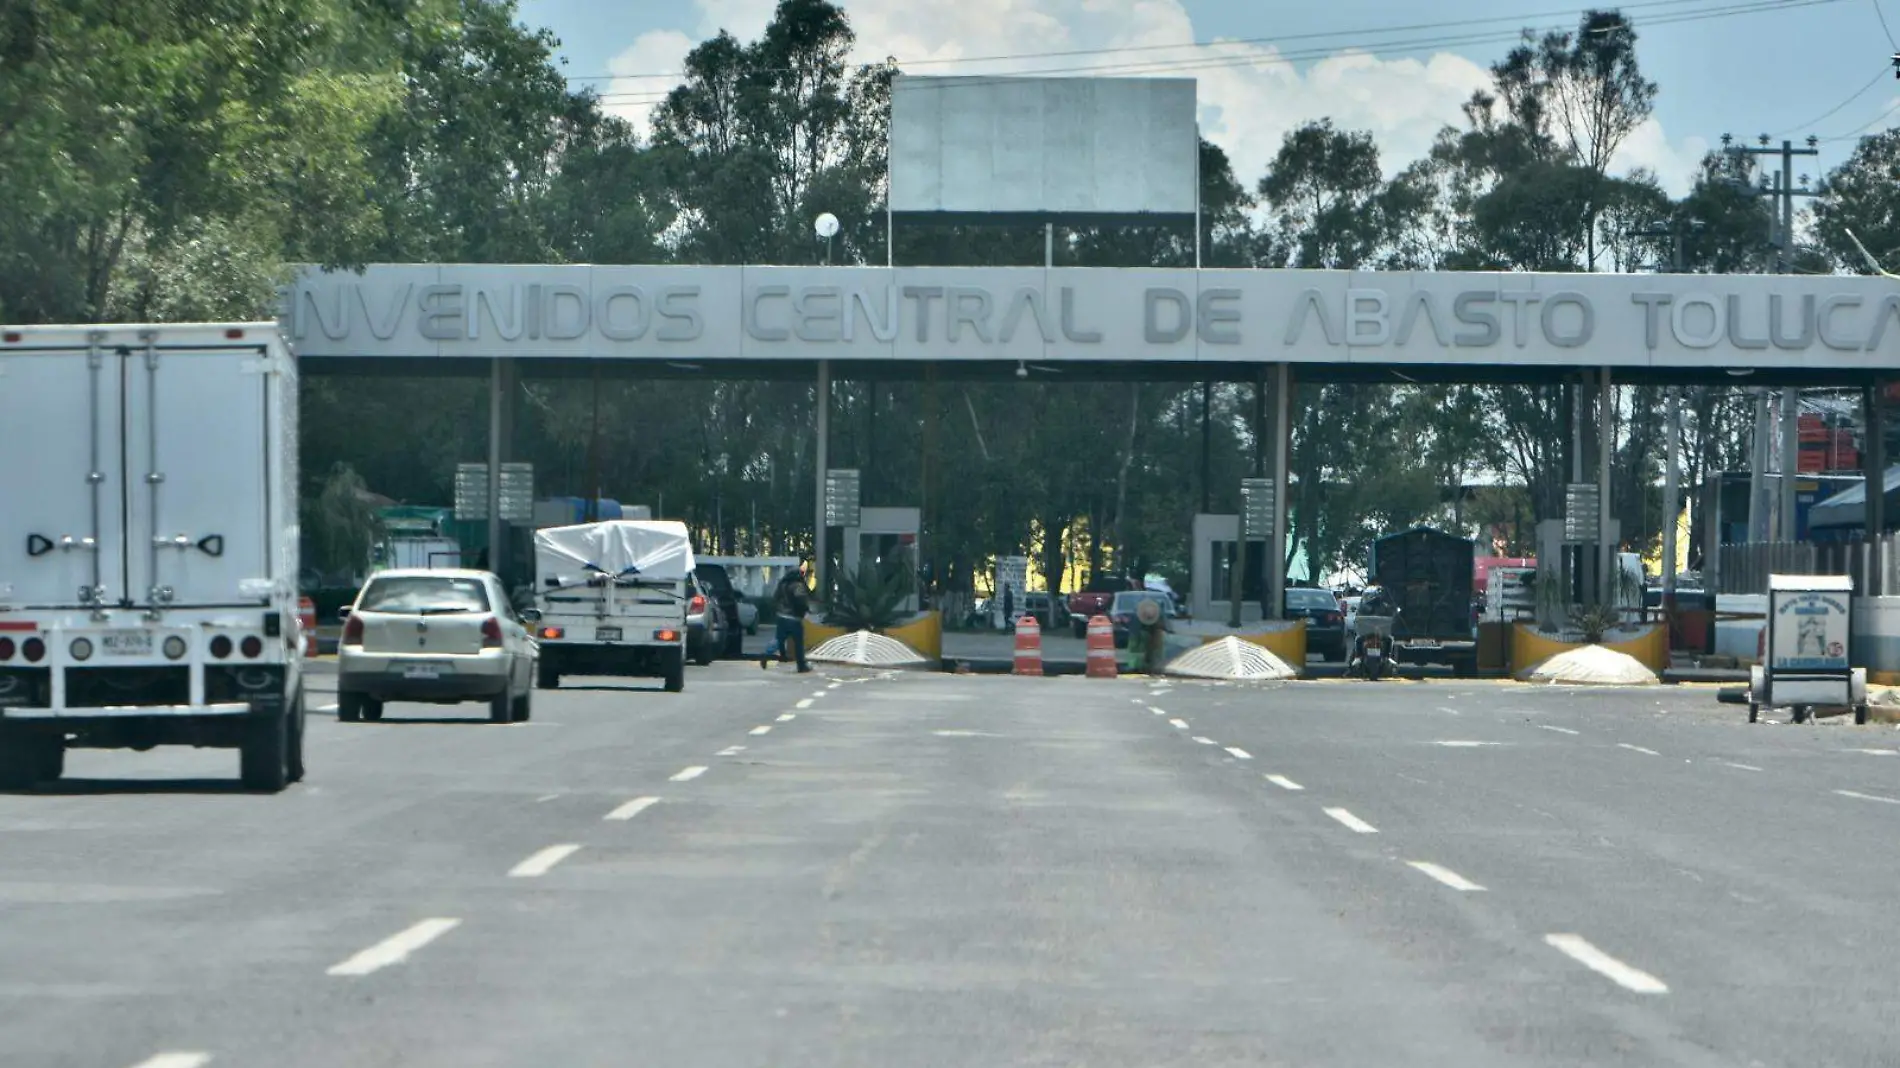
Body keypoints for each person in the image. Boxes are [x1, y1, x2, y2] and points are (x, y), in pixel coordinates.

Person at [760, 563, 812, 673]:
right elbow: (801, 600)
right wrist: (806, 609)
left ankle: (766, 654)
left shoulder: (782, 584)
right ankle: (801, 666)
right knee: (798, 642)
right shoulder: (797, 585)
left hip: (781, 616)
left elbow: (775, 599)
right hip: (794, 618)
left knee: (779, 639)